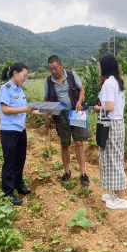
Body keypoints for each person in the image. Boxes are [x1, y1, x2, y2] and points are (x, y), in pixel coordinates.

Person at [44, 55, 91, 186]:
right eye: (51, 69)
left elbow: (82, 89)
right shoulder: (48, 81)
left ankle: (83, 173)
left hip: (75, 113)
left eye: (55, 68)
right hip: (60, 116)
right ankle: (67, 172)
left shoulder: (71, 75)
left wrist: (79, 102)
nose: (53, 72)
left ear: (61, 65)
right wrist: (46, 118)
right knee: (65, 144)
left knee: (79, 142)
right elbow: (46, 101)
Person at [0, 63, 42, 205]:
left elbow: (28, 109)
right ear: (15, 73)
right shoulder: (6, 89)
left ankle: (19, 185)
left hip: (20, 130)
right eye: (24, 76)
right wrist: (26, 109)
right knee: (10, 162)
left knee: (20, 159)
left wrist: (44, 112)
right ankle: (7, 192)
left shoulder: (20, 91)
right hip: (9, 131)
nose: (25, 78)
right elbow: (5, 109)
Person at [94, 54, 127, 210]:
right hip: (118, 123)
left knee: (113, 160)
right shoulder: (117, 82)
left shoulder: (108, 83)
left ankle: (121, 198)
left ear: (105, 66)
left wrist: (96, 108)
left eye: (100, 65)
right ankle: (114, 193)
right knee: (113, 157)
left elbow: (109, 107)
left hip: (111, 124)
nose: (98, 68)